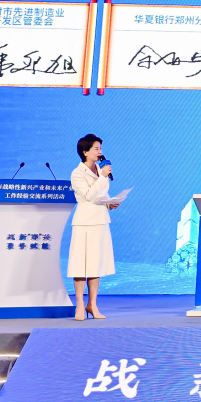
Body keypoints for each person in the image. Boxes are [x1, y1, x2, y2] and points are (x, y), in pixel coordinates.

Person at [69, 133, 121, 320]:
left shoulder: (100, 170)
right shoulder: (77, 173)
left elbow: (100, 196)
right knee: (80, 265)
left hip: (100, 221)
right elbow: (89, 196)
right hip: (84, 222)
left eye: (100, 148)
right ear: (85, 152)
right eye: (96, 149)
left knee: (95, 264)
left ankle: (92, 304)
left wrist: (109, 203)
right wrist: (103, 177)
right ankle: (80, 305)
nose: (100, 152)